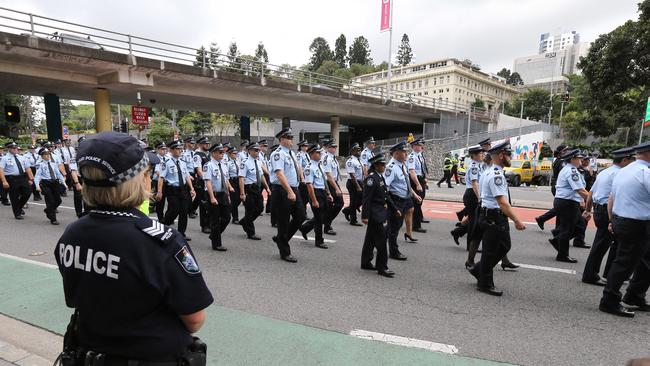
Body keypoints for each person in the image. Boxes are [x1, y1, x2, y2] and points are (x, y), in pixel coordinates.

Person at [55, 131, 212, 363]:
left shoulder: (73, 233)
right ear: (139, 179)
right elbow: (194, 320)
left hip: (90, 351)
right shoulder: (159, 240)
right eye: (147, 173)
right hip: (150, 356)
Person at [598, 141, 650, 318]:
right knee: (625, 264)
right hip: (636, 224)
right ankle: (609, 300)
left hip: (622, 220)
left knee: (642, 261)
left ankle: (634, 295)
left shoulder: (623, 171)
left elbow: (611, 198)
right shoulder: (645, 172)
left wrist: (612, 220)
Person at [468, 141, 526, 296]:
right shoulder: (496, 175)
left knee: (504, 246)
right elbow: (502, 201)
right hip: (493, 216)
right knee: (490, 251)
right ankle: (485, 284)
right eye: (508, 154)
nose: (511, 157)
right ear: (501, 155)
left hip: (491, 215)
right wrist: (517, 220)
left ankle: (478, 269)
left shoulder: (490, 170)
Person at [582, 147, 635, 286]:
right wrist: (613, 219)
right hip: (608, 212)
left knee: (610, 243)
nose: (632, 163)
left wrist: (588, 210)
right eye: (631, 160)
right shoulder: (621, 174)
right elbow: (616, 197)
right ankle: (591, 275)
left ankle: (608, 273)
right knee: (603, 245)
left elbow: (591, 194)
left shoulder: (604, 172)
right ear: (624, 160)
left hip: (600, 210)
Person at [269, 128, 306, 263]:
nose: (291, 140)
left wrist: (301, 179)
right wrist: (289, 191)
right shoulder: (277, 154)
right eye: (289, 138)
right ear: (282, 139)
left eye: (292, 138)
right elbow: (279, 174)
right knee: (283, 221)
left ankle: (281, 239)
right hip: (282, 190)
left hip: (294, 188)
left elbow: (297, 168)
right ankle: (285, 252)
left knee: (301, 216)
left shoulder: (291, 153)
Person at [548, 150, 589, 263]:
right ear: (572, 159)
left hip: (568, 201)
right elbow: (579, 189)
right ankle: (562, 255)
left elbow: (580, 188)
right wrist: (593, 199)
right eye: (579, 158)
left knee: (580, 226)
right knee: (567, 229)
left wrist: (582, 199)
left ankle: (557, 241)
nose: (581, 160)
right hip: (567, 202)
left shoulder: (572, 169)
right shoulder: (571, 171)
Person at [384, 141, 422, 261]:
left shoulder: (402, 165)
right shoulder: (391, 168)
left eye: (406, 151)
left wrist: (414, 195)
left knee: (394, 225)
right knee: (395, 227)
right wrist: (387, 203)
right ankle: (394, 252)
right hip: (396, 200)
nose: (406, 154)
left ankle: (376, 240)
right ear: (396, 153)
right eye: (403, 152)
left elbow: (406, 183)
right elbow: (385, 187)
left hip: (405, 199)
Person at [361, 154, 396, 277]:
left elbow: (385, 195)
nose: (384, 166)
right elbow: (366, 198)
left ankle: (365, 262)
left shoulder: (379, 177)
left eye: (384, 164)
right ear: (376, 166)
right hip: (376, 214)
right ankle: (382, 267)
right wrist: (364, 216)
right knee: (381, 241)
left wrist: (394, 208)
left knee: (370, 239)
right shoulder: (371, 179)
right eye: (382, 164)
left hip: (380, 210)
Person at [157, 140, 196, 241]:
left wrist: (192, 189)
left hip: (183, 189)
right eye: (178, 149)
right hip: (172, 190)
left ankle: (181, 233)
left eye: (181, 149)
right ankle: (163, 226)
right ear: (172, 150)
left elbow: (187, 176)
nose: (180, 151)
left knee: (184, 212)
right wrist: (159, 191)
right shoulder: (167, 163)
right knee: (174, 210)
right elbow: (161, 177)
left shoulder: (183, 163)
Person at [299, 143, 332, 248]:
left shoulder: (319, 165)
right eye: (318, 153)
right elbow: (309, 185)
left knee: (324, 215)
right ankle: (319, 241)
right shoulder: (309, 168)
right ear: (312, 154)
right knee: (318, 219)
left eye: (320, 152)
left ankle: (305, 228)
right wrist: (314, 200)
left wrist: (328, 193)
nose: (320, 154)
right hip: (315, 193)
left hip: (322, 192)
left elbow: (324, 181)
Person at [238, 141, 270, 241]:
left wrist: (267, 187)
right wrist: (242, 193)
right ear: (249, 151)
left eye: (258, 150)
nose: (258, 152)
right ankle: (251, 232)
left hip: (257, 188)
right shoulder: (245, 163)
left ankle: (245, 221)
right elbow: (241, 178)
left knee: (260, 208)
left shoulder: (258, 162)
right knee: (250, 210)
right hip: (249, 189)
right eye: (255, 150)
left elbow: (261, 176)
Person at [535, 144, 570, 230]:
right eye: (566, 150)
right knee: (562, 207)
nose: (568, 152)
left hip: (557, 186)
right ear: (562, 152)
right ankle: (556, 228)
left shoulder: (560, 160)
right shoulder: (562, 162)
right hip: (558, 187)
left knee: (561, 208)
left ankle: (546, 221)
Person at [203, 143, 232, 251]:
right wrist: (211, 197)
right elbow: (208, 182)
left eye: (223, 152)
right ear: (213, 153)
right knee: (215, 219)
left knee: (227, 218)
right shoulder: (208, 165)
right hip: (213, 194)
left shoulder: (224, 165)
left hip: (223, 194)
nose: (222, 154)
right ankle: (217, 244)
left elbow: (226, 181)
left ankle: (214, 235)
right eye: (220, 152)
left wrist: (228, 194)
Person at [0, 141, 34, 219]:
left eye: (16, 148)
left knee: (27, 192)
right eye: (13, 148)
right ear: (9, 149)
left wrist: (31, 178)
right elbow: (1, 170)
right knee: (14, 197)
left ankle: (19, 207)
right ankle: (17, 213)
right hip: (12, 179)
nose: (15, 149)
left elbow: (27, 168)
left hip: (22, 177)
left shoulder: (21, 157)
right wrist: (4, 181)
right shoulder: (4, 158)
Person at [33, 147, 65, 225]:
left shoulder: (53, 164)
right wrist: (37, 186)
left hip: (55, 183)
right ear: (42, 156)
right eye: (45, 155)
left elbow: (58, 174)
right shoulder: (40, 165)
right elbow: (37, 176)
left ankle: (48, 210)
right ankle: (53, 219)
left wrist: (64, 183)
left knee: (58, 200)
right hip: (46, 184)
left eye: (48, 154)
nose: (48, 156)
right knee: (50, 201)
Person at [321, 138, 344, 235]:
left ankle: (325, 223)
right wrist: (336, 188)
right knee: (333, 205)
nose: (335, 149)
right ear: (327, 148)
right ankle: (326, 225)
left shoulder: (333, 158)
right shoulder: (326, 158)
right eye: (332, 147)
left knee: (338, 204)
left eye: (335, 147)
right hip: (329, 183)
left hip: (334, 182)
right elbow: (329, 175)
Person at [407, 138, 428, 234]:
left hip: (421, 179)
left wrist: (425, 180)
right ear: (414, 146)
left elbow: (423, 168)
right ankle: (416, 225)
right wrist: (418, 184)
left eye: (421, 145)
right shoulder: (412, 157)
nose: (421, 146)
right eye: (419, 145)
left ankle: (418, 219)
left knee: (420, 200)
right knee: (417, 202)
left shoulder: (419, 155)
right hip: (416, 180)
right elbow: (412, 171)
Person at [342, 143, 364, 226]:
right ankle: (353, 220)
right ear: (352, 151)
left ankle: (347, 210)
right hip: (353, 183)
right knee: (354, 201)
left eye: (359, 149)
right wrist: (358, 186)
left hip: (360, 182)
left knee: (362, 200)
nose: (359, 151)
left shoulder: (359, 160)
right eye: (357, 149)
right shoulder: (350, 161)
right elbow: (352, 175)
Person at [193, 137, 211, 233]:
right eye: (205, 143)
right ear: (199, 144)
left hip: (209, 182)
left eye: (208, 143)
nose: (207, 145)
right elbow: (199, 170)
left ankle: (209, 223)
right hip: (202, 182)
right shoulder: (198, 155)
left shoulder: (207, 154)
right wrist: (206, 179)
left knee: (209, 204)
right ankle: (204, 225)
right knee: (204, 205)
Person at [181, 137, 197, 219]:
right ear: (187, 144)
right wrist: (188, 175)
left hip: (194, 174)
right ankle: (190, 211)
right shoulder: (183, 154)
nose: (193, 145)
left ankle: (191, 209)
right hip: (188, 174)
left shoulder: (195, 154)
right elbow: (183, 166)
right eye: (191, 143)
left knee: (195, 192)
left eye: (194, 143)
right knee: (189, 193)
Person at [153, 142, 168, 222]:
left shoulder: (167, 157)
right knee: (160, 201)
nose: (164, 151)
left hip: (167, 182)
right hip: (159, 181)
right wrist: (164, 177)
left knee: (170, 200)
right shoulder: (156, 159)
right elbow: (157, 172)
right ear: (158, 150)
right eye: (162, 149)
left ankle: (168, 217)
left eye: (165, 149)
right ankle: (160, 217)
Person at [296, 140, 310, 215]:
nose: (306, 147)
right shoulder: (299, 155)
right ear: (301, 147)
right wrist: (302, 178)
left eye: (306, 146)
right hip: (303, 177)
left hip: (307, 176)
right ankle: (302, 213)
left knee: (306, 196)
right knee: (303, 196)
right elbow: (299, 167)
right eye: (304, 146)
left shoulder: (307, 155)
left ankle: (303, 212)